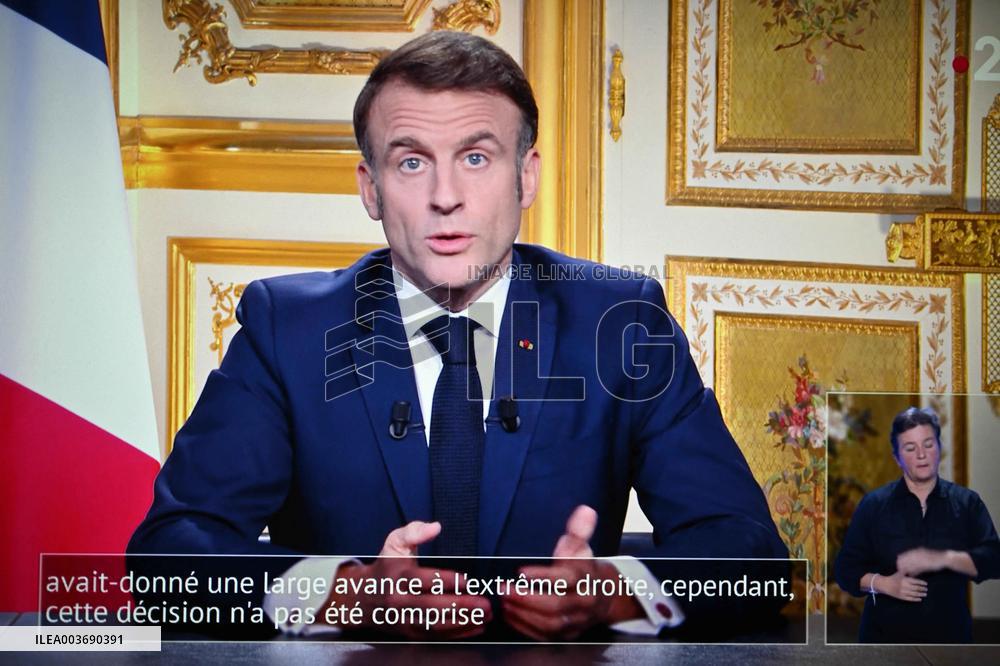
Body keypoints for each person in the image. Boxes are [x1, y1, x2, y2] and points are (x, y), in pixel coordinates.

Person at [129, 31, 786, 640]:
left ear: (526, 176)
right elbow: (167, 558)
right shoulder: (286, 327)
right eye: (411, 163)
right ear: (371, 188)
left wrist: (613, 594)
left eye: (476, 157)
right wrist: (347, 595)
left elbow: (750, 557)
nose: (447, 196)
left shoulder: (621, 320)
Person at [833, 407, 1000, 643]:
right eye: (910, 448)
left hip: (950, 643)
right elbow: (844, 569)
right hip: (884, 644)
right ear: (897, 457)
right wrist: (884, 584)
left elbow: (994, 560)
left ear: (939, 448)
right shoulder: (874, 504)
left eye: (928, 444)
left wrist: (944, 558)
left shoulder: (967, 503)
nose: (921, 454)